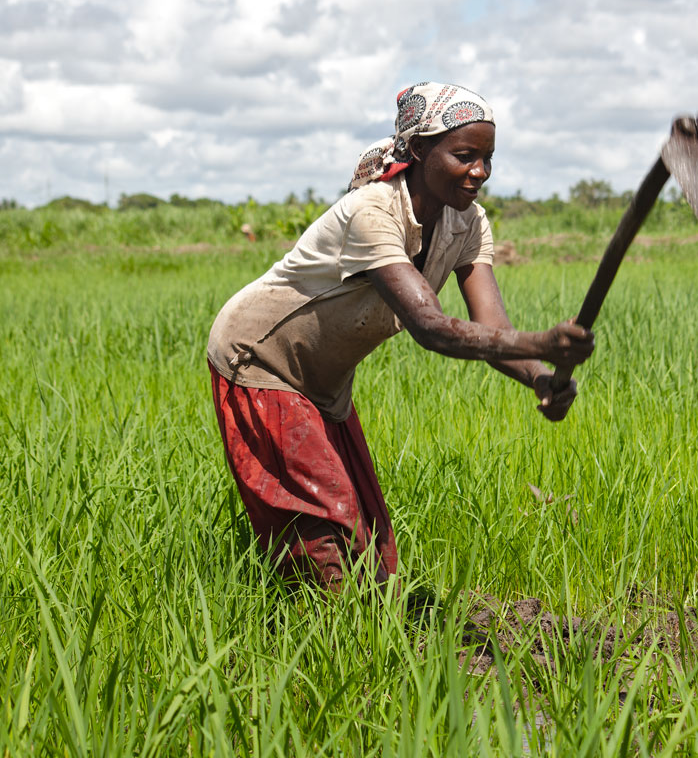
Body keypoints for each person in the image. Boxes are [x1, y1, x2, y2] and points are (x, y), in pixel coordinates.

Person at [207, 83, 595, 589]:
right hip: (258, 359)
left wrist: (540, 378)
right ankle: (328, 647)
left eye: (487, 158)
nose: (480, 171)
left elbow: (493, 330)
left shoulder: (469, 222)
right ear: (418, 151)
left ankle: (368, 637)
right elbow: (431, 327)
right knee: (323, 525)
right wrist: (543, 343)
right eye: (464, 155)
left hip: (323, 384)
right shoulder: (373, 212)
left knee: (369, 544)